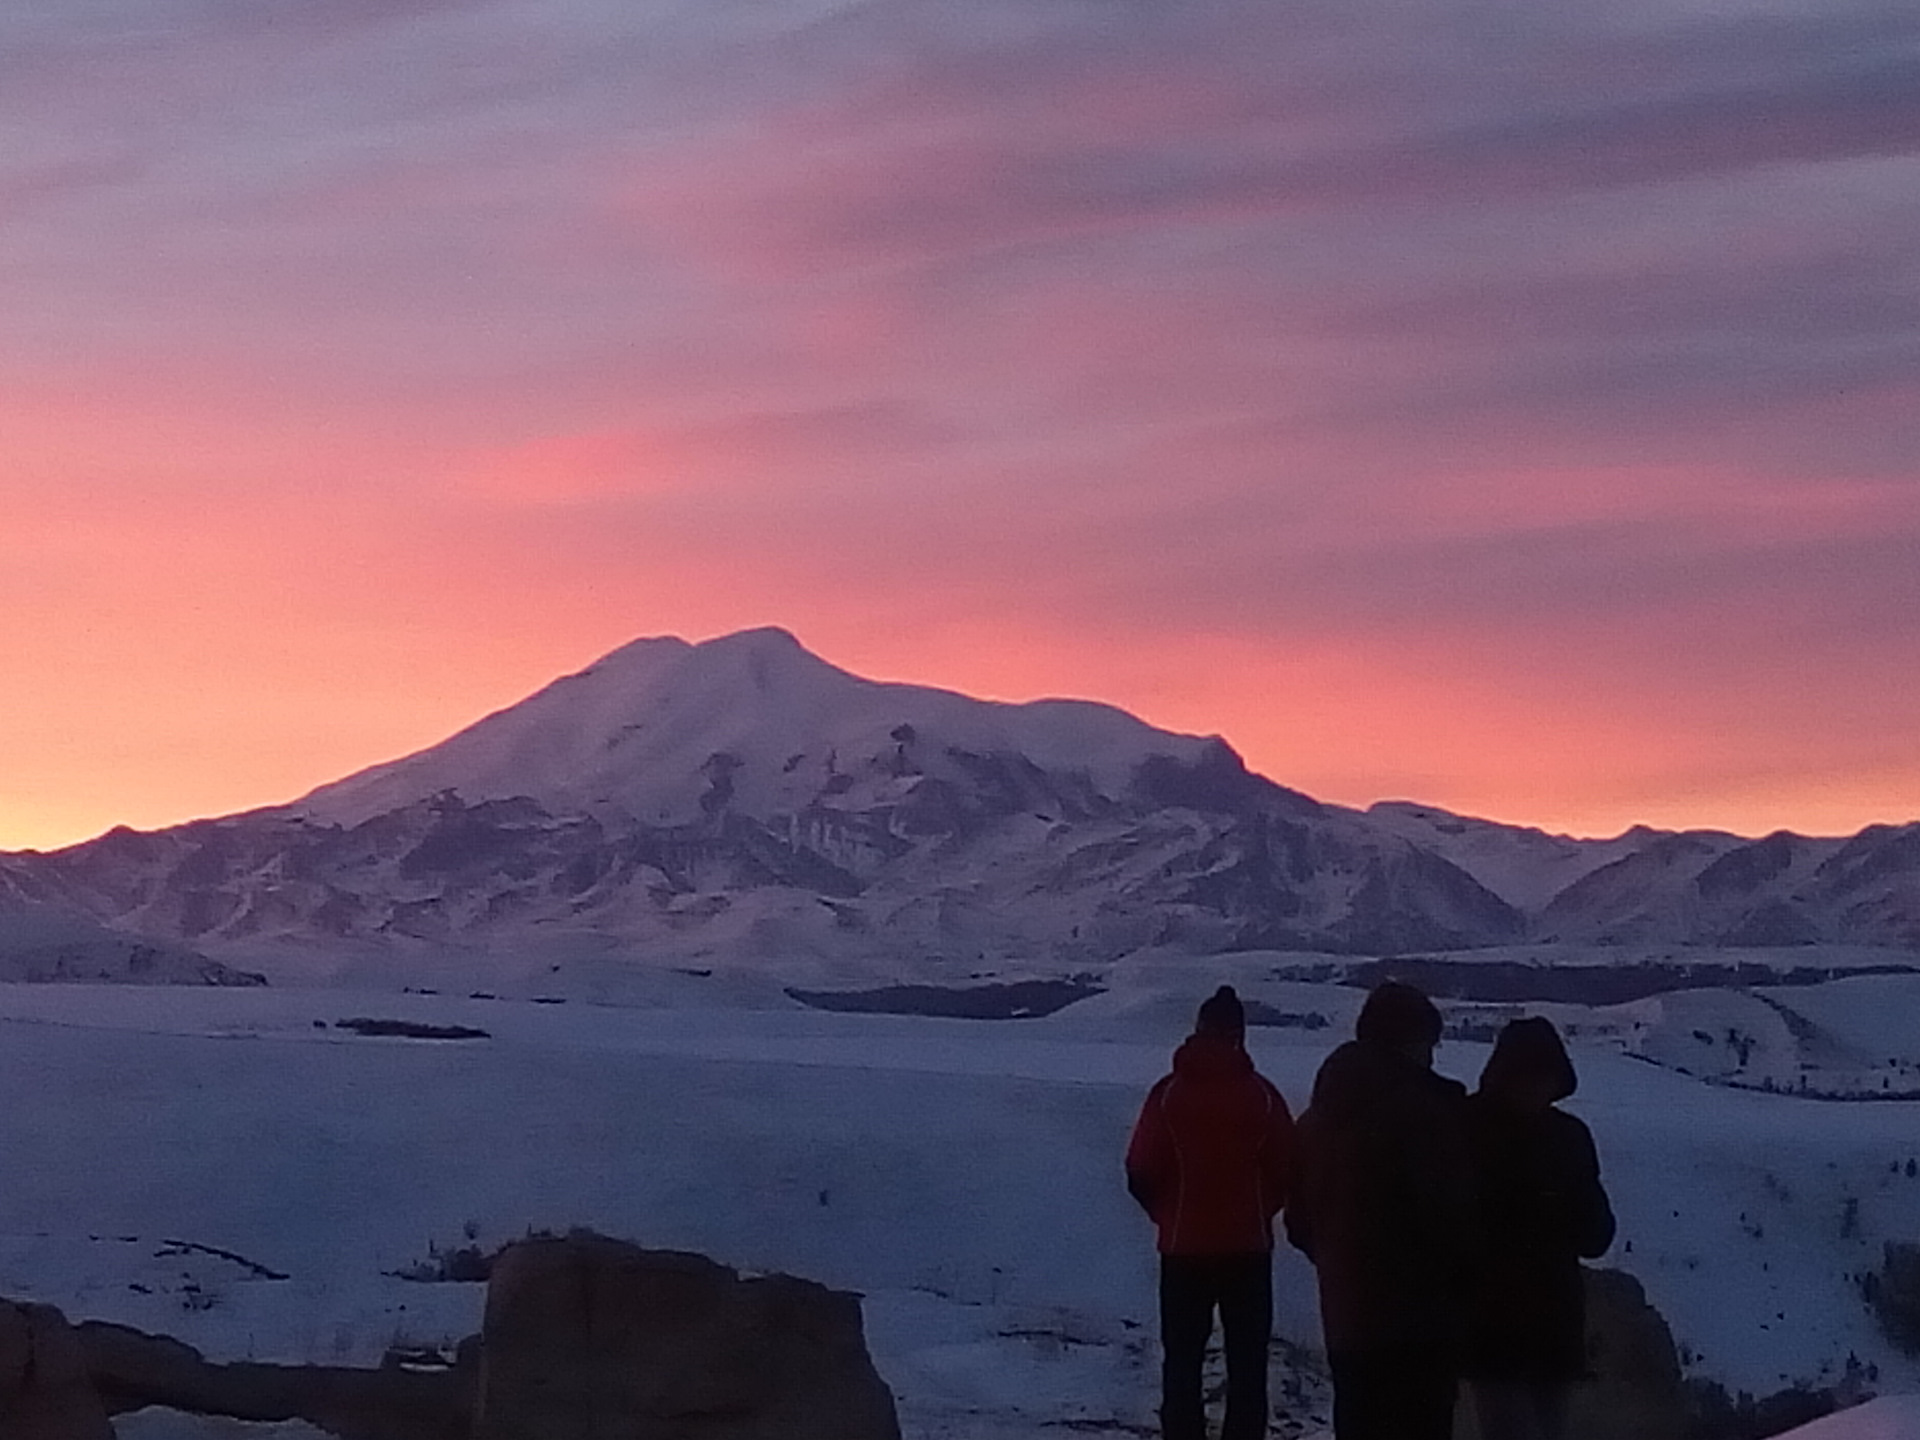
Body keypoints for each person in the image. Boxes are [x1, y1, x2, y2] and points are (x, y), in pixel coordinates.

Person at [1285, 981, 1476, 1440]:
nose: (1432, 1057)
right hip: (1419, 1322)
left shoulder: (1315, 1121)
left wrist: (1338, 1256)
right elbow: (1451, 1220)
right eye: (1429, 1045)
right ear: (1411, 1042)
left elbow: (1297, 1222)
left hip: (1347, 1316)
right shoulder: (1423, 1116)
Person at [1126, 985, 1296, 1440]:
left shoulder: (1167, 1096)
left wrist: (1170, 1216)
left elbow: (1140, 1169)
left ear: (1197, 1032)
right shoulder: (1262, 1096)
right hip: (1248, 1250)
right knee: (1248, 1365)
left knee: (1181, 1363)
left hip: (1183, 1251)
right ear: (1240, 1035)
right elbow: (1288, 1167)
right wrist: (1259, 1211)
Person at [1462, 1017, 1615, 1440]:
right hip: (1503, 1324)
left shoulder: (1467, 1126)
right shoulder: (1563, 1137)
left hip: (1535, 1326)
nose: (1534, 1087)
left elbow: (1596, 1234)